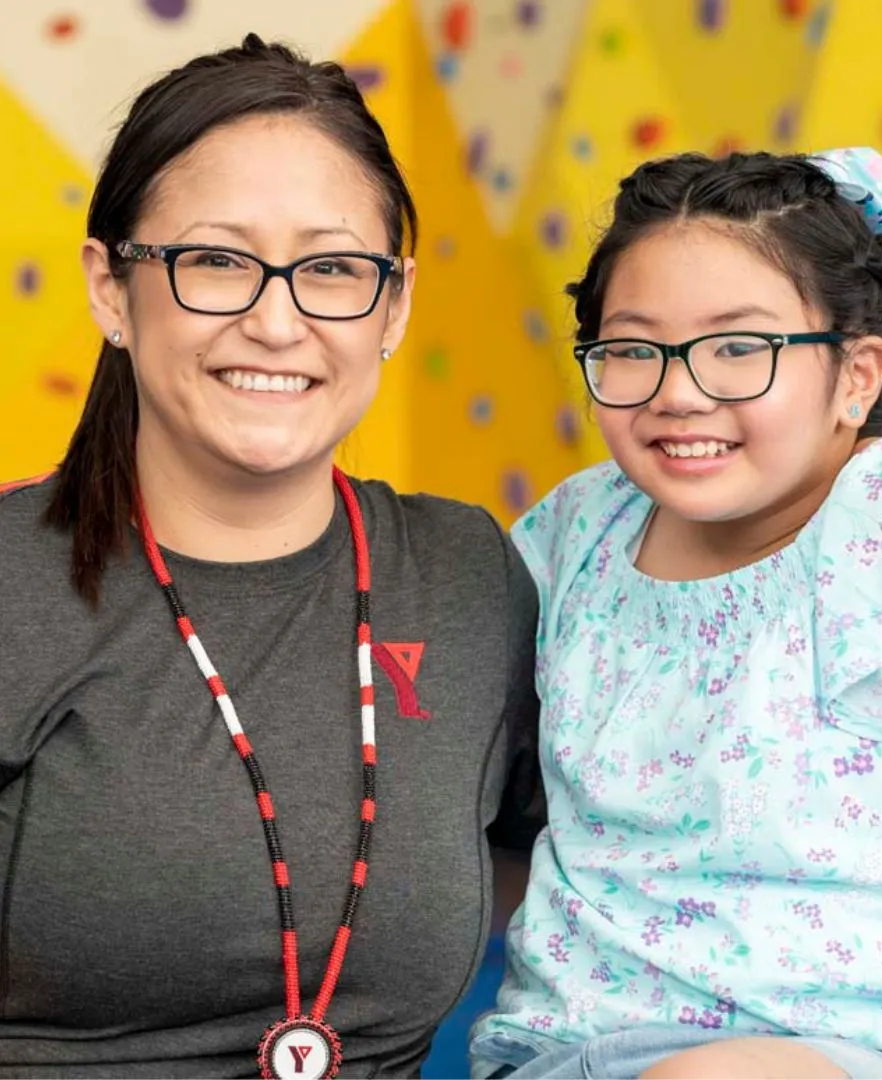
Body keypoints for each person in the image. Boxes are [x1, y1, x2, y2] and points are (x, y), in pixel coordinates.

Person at [469, 147, 882, 1079]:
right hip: (563, 1055)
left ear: (856, 376)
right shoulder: (575, 532)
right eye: (633, 349)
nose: (679, 392)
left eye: (739, 350)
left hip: (865, 1055)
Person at [0, 34, 542, 1079]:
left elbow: (584, 853)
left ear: (394, 305)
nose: (276, 319)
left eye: (333, 268)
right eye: (215, 261)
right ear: (111, 288)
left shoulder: (468, 574)